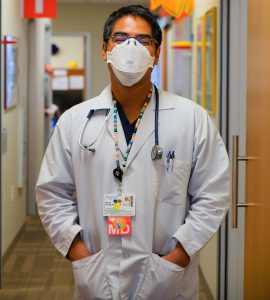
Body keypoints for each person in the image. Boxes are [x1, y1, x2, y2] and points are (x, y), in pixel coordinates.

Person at [36, 5, 230, 300]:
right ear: (105, 49)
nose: (131, 47)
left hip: (167, 277)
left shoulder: (191, 118)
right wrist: (78, 251)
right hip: (97, 273)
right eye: (121, 38)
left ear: (156, 53)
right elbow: (51, 193)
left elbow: (213, 194)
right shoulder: (75, 121)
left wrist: (179, 254)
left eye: (143, 40)